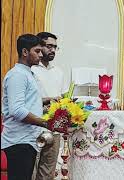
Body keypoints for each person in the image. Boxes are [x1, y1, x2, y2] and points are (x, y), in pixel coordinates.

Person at [1, 34, 54, 180]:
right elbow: (17, 110)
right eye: (36, 51)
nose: (40, 54)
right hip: (18, 142)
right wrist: (45, 123)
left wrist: (49, 102)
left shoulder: (28, 74)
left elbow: (29, 103)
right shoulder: (17, 75)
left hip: (26, 141)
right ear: (25, 52)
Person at [31, 32, 68, 180]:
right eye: (49, 46)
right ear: (40, 47)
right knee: (31, 169)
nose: (52, 50)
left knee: (48, 170)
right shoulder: (31, 70)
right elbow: (29, 100)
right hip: (34, 124)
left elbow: (64, 97)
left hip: (54, 126)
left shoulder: (58, 72)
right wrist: (48, 100)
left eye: (55, 47)